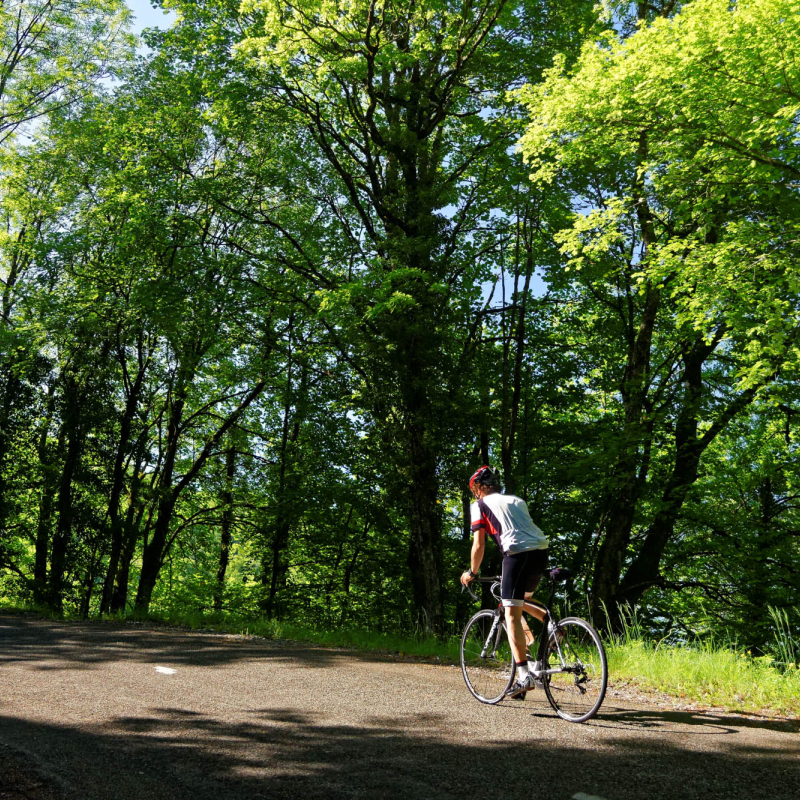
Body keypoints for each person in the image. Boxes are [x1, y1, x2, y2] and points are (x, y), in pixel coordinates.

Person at [460, 465, 549, 698]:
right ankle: (551, 625)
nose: (475, 495)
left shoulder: (478, 505)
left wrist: (472, 571)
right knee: (523, 600)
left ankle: (523, 676)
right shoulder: (517, 500)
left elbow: (479, 544)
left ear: (480, 488)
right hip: (540, 552)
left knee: (511, 614)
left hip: (516, 555)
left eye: (474, 490)